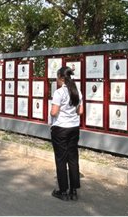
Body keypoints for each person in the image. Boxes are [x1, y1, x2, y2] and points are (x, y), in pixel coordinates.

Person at [50, 66, 84, 201]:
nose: (56, 78)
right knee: (73, 158)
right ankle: (74, 191)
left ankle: (63, 191)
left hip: (61, 129)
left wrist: (54, 112)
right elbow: (80, 112)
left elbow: (53, 112)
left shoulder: (59, 93)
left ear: (62, 78)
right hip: (74, 128)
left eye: (57, 76)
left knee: (61, 159)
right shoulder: (77, 91)